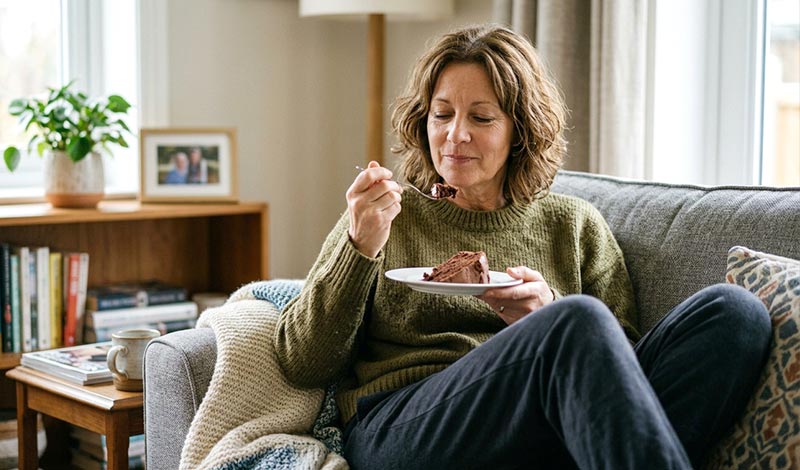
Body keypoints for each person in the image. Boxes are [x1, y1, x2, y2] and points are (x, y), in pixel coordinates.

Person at [274, 24, 771, 469]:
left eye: (482, 118)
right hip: (406, 423)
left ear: (519, 131)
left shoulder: (574, 225)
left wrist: (546, 318)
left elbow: (628, 370)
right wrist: (360, 244)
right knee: (576, 320)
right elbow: (303, 361)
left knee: (735, 312)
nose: (455, 135)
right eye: (442, 114)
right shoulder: (386, 216)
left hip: (550, 424)